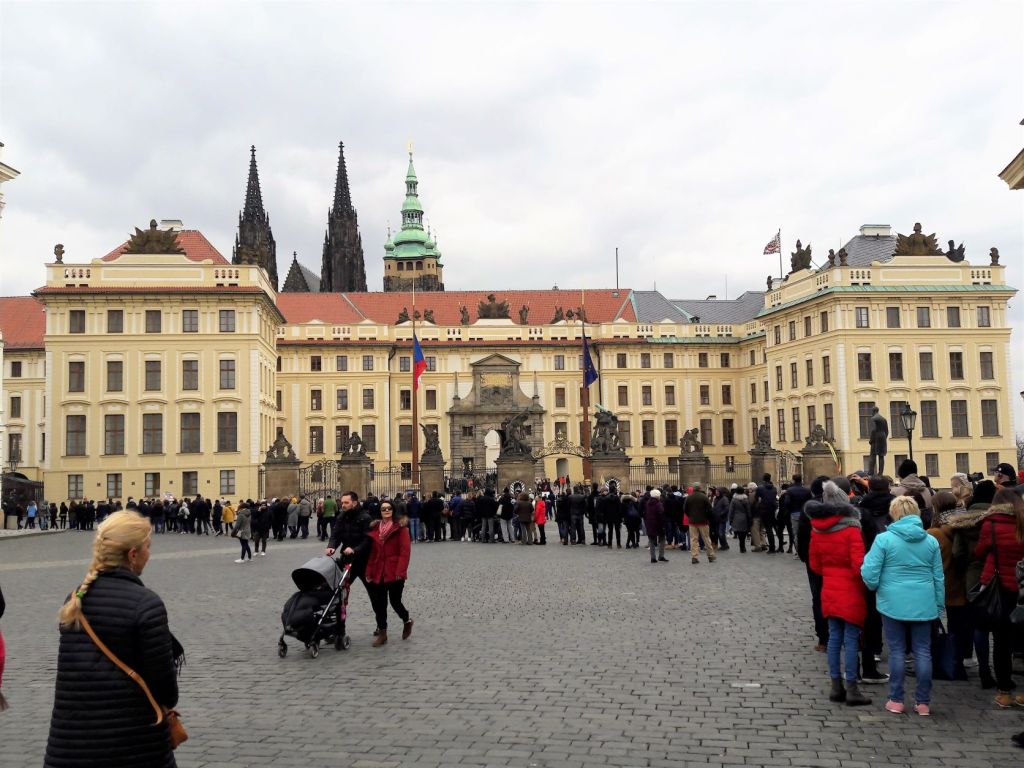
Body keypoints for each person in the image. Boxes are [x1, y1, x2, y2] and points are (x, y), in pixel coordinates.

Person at [45, 511, 182, 767]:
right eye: (147, 547)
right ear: (132, 555)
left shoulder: (75, 599)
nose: (149, 555)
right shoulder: (146, 605)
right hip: (132, 745)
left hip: (72, 745)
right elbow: (166, 690)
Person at [861, 496, 944, 716]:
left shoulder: (884, 539)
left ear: (894, 513)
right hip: (924, 601)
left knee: (897, 651)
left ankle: (896, 699)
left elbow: (869, 571)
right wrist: (939, 603)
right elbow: (938, 576)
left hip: (892, 601)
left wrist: (875, 586)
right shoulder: (930, 541)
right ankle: (923, 702)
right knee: (923, 652)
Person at [808, 481, 870, 706]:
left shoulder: (817, 528)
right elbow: (859, 564)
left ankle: (836, 686)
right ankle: (852, 688)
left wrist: (831, 572)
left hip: (829, 588)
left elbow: (815, 565)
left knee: (834, 638)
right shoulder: (852, 529)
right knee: (851, 640)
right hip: (851, 588)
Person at [973, 488, 1024, 708]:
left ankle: (1004, 693)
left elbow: (980, 552)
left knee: (1001, 641)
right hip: (1022, 587)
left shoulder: (990, 524)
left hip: (999, 586)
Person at [927, 491, 969, 680]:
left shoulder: (933, 533)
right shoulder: (964, 528)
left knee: (932, 628)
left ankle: (937, 663)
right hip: (960, 586)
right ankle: (957, 663)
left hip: (939, 586)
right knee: (958, 629)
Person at [365, 500, 413, 647]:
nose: (386, 511)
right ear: (379, 511)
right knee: (380, 603)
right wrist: (369, 571)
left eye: (389, 508)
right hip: (379, 570)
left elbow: (405, 552)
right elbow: (372, 553)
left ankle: (406, 620)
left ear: (393, 510)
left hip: (394, 571)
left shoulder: (401, 528)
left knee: (395, 602)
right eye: (383, 509)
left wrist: (401, 570)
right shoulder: (375, 529)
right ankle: (383, 633)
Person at [683, 482, 716, 564]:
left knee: (693, 540)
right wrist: (708, 518)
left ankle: (694, 557)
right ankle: (710, 556)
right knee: (706, 539)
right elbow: (709, 509)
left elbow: (685, 509)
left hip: (692, 521)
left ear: (693, 488)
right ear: (700, 488)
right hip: (703, 521)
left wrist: (690, 515)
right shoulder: (704, 497)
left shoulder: (689, 497)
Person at [730, 484, 754, 554]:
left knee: (739, 533)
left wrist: (730, 519)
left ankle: (741, 546)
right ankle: (743, 546)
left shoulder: (734, 500)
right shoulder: (745, 499)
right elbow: (748, 510)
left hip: (736, 518)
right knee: (744, 532)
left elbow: (731, 511)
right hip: (744, 518)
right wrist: (750, 518)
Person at [645, 488, 667, 563]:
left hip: (650, 523)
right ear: (658, 496)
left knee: (651, 540)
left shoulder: (648, 503)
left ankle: (653, 557)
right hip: (658, 524)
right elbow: (661, 514)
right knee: (662, 539)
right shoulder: (658, 504)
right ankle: (661, 555)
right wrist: (663, 525)